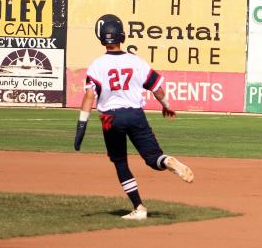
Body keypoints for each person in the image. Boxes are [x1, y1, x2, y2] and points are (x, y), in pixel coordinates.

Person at [73, 16, 194, 220]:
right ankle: (168, 162)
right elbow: (156, 88)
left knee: (120, 162)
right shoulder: (135, 60)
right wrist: (167, 106)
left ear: (102, 39)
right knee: (153, 158)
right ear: (122, 36)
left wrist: (81, 125)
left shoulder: (97, 65)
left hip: (111, 117)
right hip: (136, 114)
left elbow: (89, 95)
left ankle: (139, 207)